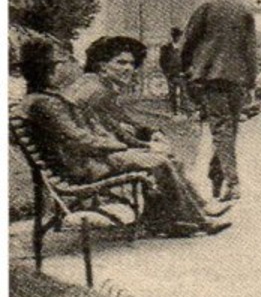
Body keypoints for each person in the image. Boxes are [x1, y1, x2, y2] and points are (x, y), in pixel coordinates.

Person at [20, 38, 230, 237]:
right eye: (60, 64)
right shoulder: (45, 103)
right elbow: (78, 138)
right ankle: (199, 220)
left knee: (160, 158)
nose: (65, 68)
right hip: (83, 165)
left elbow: (99, 127)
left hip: (85, 159)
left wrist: (136, 144)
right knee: (159, 161)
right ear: (47, 70)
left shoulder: (47, 99)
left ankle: (169, 218)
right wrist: (120, 147)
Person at [180, 0, 257, 201]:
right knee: (229, 129)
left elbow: (188, 42)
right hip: (237, 79)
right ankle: (217, 176)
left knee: (221, 128)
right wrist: (251, 80)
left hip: (211, 77)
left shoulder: (206, 7)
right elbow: (250, 50)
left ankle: (231, 182)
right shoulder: (244, 11)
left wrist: (185, 69)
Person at [157, 27, 190, 116]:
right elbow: (162, 61)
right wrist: (167, 72)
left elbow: (188, 60)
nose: (177, 38)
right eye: (175, 36)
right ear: (173, 36)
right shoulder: (166, 48)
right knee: (172, 93)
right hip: (171, 74)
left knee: (184, 93)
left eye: (179, 36)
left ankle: (185, 112)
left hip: (182, 74)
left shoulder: (184, 48)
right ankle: (174, 111)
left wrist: (186, 71)